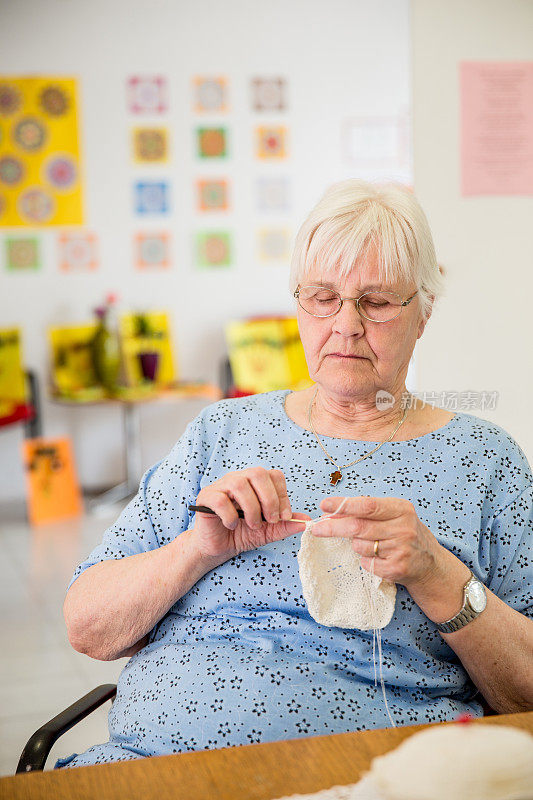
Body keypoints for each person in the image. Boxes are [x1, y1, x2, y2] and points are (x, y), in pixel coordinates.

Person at [56, 180, 533, 769]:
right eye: (323, 297)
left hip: (373, 776)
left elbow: (528, 691)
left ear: (424, 313)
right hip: (152, 766)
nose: (346, 325)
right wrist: (195, 550)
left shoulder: (485, 460)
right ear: (299, 305)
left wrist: (437, 575)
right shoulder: (220, 431)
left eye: (377, 301)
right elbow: (88, 628)